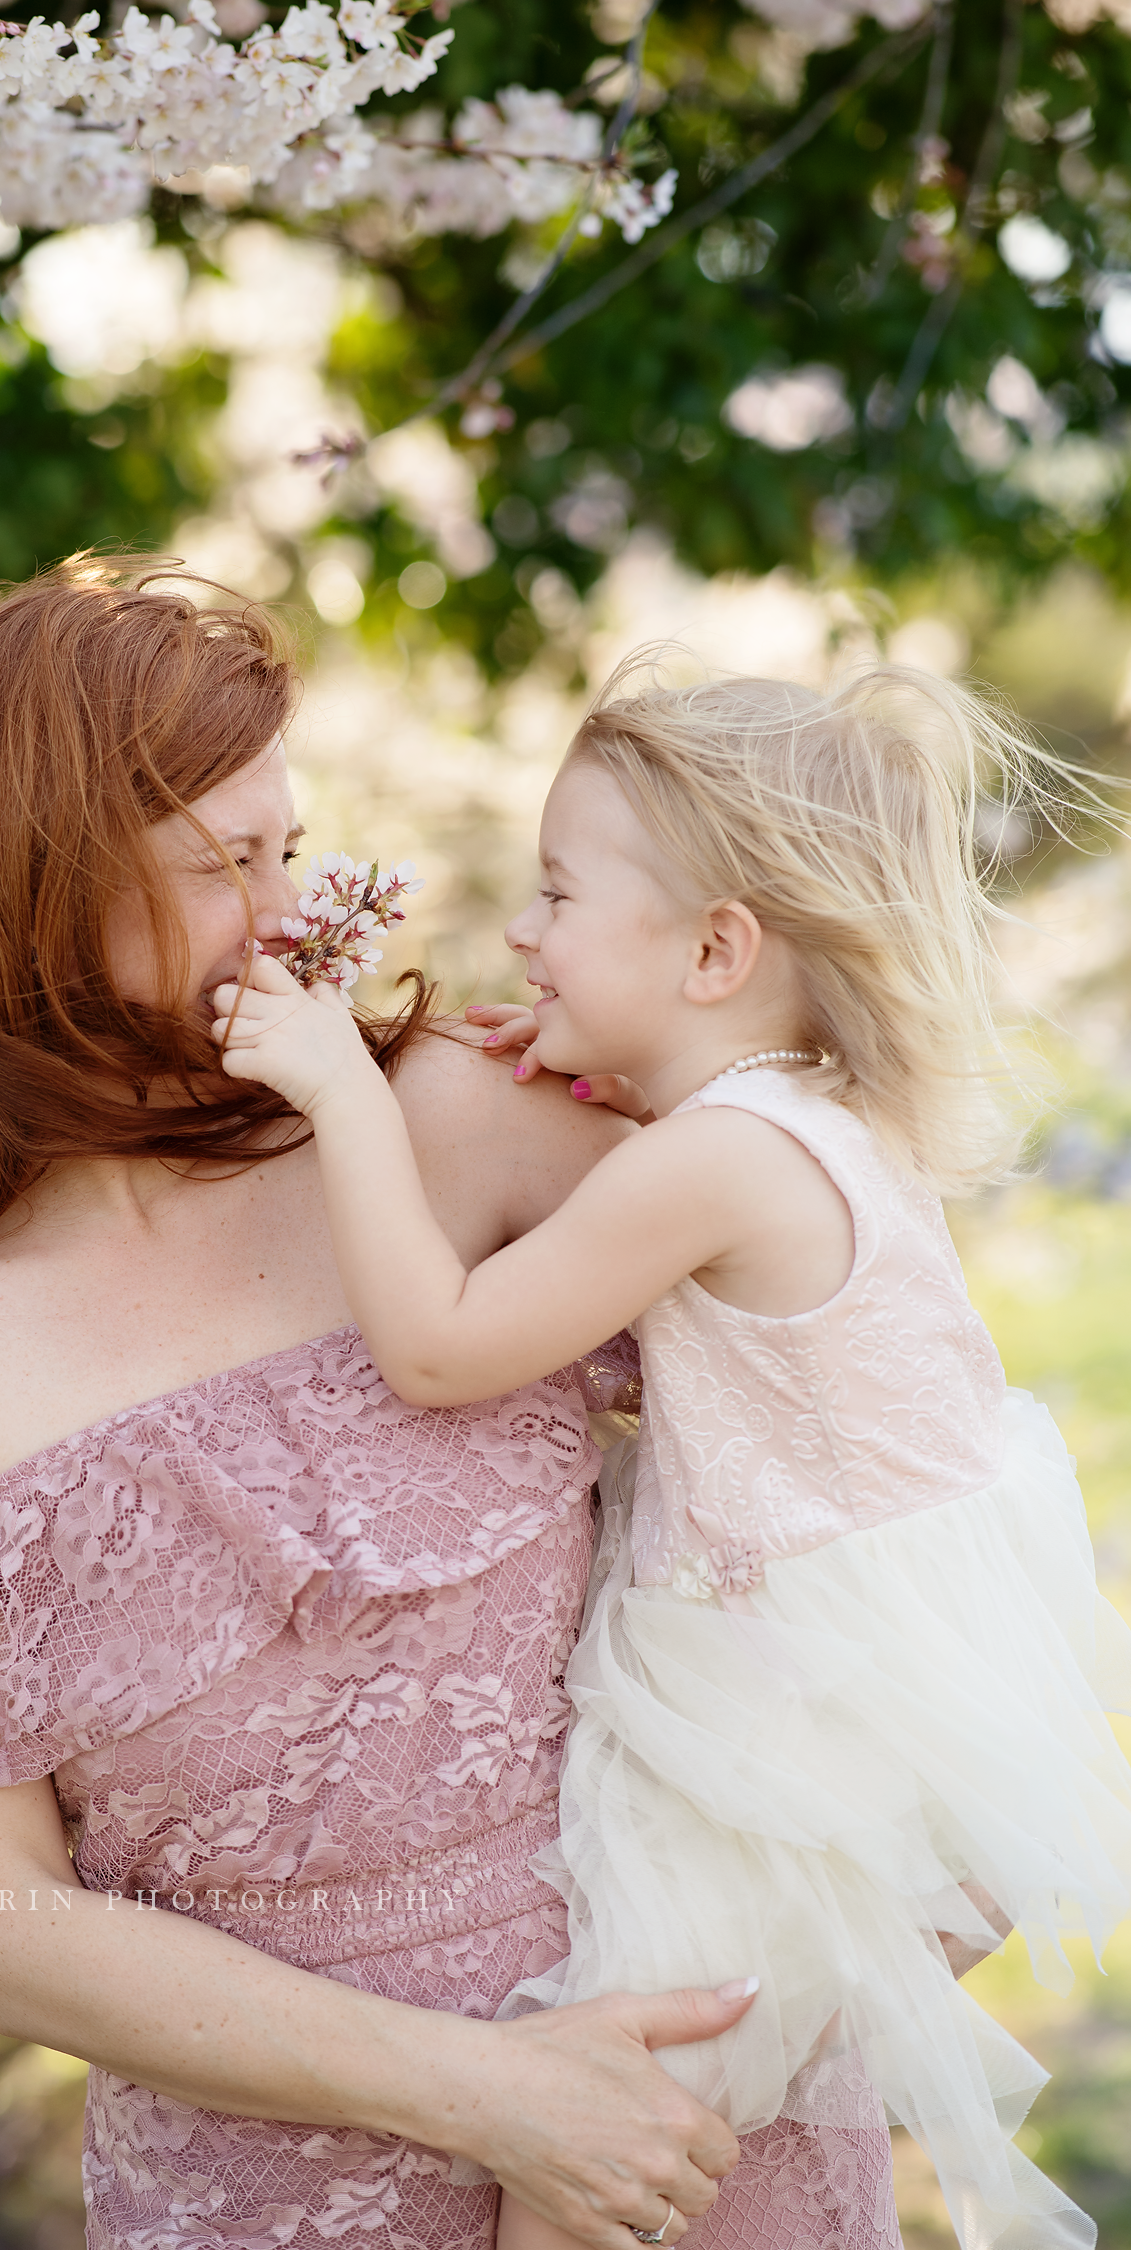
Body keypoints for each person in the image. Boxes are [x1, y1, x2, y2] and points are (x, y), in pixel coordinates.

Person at [0, 560, 904, 2250]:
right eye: (229, 865)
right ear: (29, 897)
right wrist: (484, 2090)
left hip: (694, 2114)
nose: (298, 914)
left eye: (292, 847)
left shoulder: (442, 1122)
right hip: (282, 2188)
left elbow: (850, 1362)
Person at [211, 655, 1131, 2250]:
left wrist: (341, 1090)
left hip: (796, 1744)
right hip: (909, 1702)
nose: (519, 929)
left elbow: (439, 1345)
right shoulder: (807, 1121)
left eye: (559, 892)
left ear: (717, 950)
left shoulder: (708, 1162)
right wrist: (618, 1072)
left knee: (588, 2153)